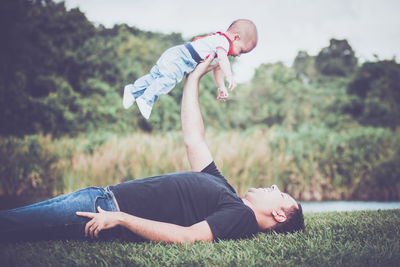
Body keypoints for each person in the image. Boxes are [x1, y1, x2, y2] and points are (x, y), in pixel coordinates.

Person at [0, 54, 304, 244]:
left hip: (106, 210)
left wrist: (121, 219)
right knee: (14, 224)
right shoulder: (226, 191)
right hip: (101, 198)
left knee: (12, 223)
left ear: (278, 214)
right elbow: (194, 139)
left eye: (281, 192)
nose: (274, 186)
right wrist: (194, 77)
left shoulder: (240, 218)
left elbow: (188, 237)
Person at [122, 19, 258, 119]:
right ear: (236, 37)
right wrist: (230, 76)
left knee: (155, 78)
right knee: (169, 79)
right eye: (242, 50)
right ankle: (147, 99)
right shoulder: (223, 41)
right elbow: (223, 61)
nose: (239, 55)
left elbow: (218, 68)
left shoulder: (220, 47)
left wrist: (221, 86)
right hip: (180, 57)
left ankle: (132, 91)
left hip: (176, 55)